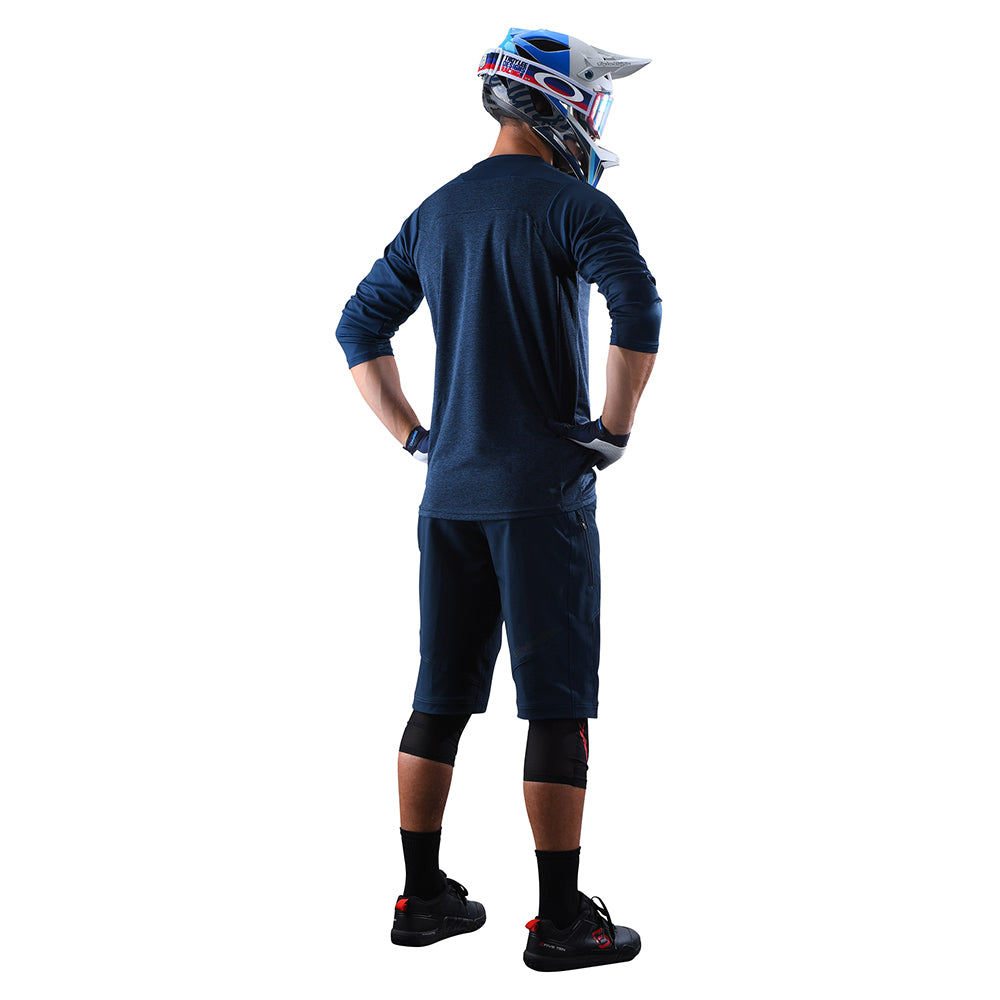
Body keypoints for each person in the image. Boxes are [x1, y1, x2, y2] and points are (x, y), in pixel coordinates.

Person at [335, 27, 661, 972]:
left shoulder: (437, 211)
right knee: (556, 705)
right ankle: (561, 923)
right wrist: (614, 427)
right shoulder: (575, 207)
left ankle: (421, 898)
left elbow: (358, 326)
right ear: (561, 101)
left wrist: (417, 437)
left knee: (438, 697)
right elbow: (638, 308)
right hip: (542, 498)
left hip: (449, 500)